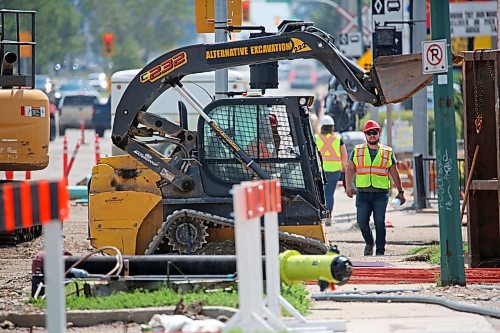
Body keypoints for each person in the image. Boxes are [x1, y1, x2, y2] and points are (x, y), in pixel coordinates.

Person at [345, 120, 406, 256]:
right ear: (365, 134)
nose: (372, 135)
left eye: (374, 132)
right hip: (363, 194)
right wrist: (348, 186)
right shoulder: (357, 150)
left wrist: (401, 192)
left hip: (381, 194)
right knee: (362, 221)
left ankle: (380, 250)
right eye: (369, 133)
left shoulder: (387, 152)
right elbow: (350, 169)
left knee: (379, 221)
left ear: (379, 133)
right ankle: (369, 242)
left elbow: (394, 172)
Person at [315, 115, 347, 226]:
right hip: (334, 171)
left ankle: (320, 215)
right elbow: (344, 154)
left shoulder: (316, 138)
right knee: (329, 194)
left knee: (320, 193)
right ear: (332, 127)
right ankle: (328, 216)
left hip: (320, 170)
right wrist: (344, 166)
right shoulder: (338, 138)